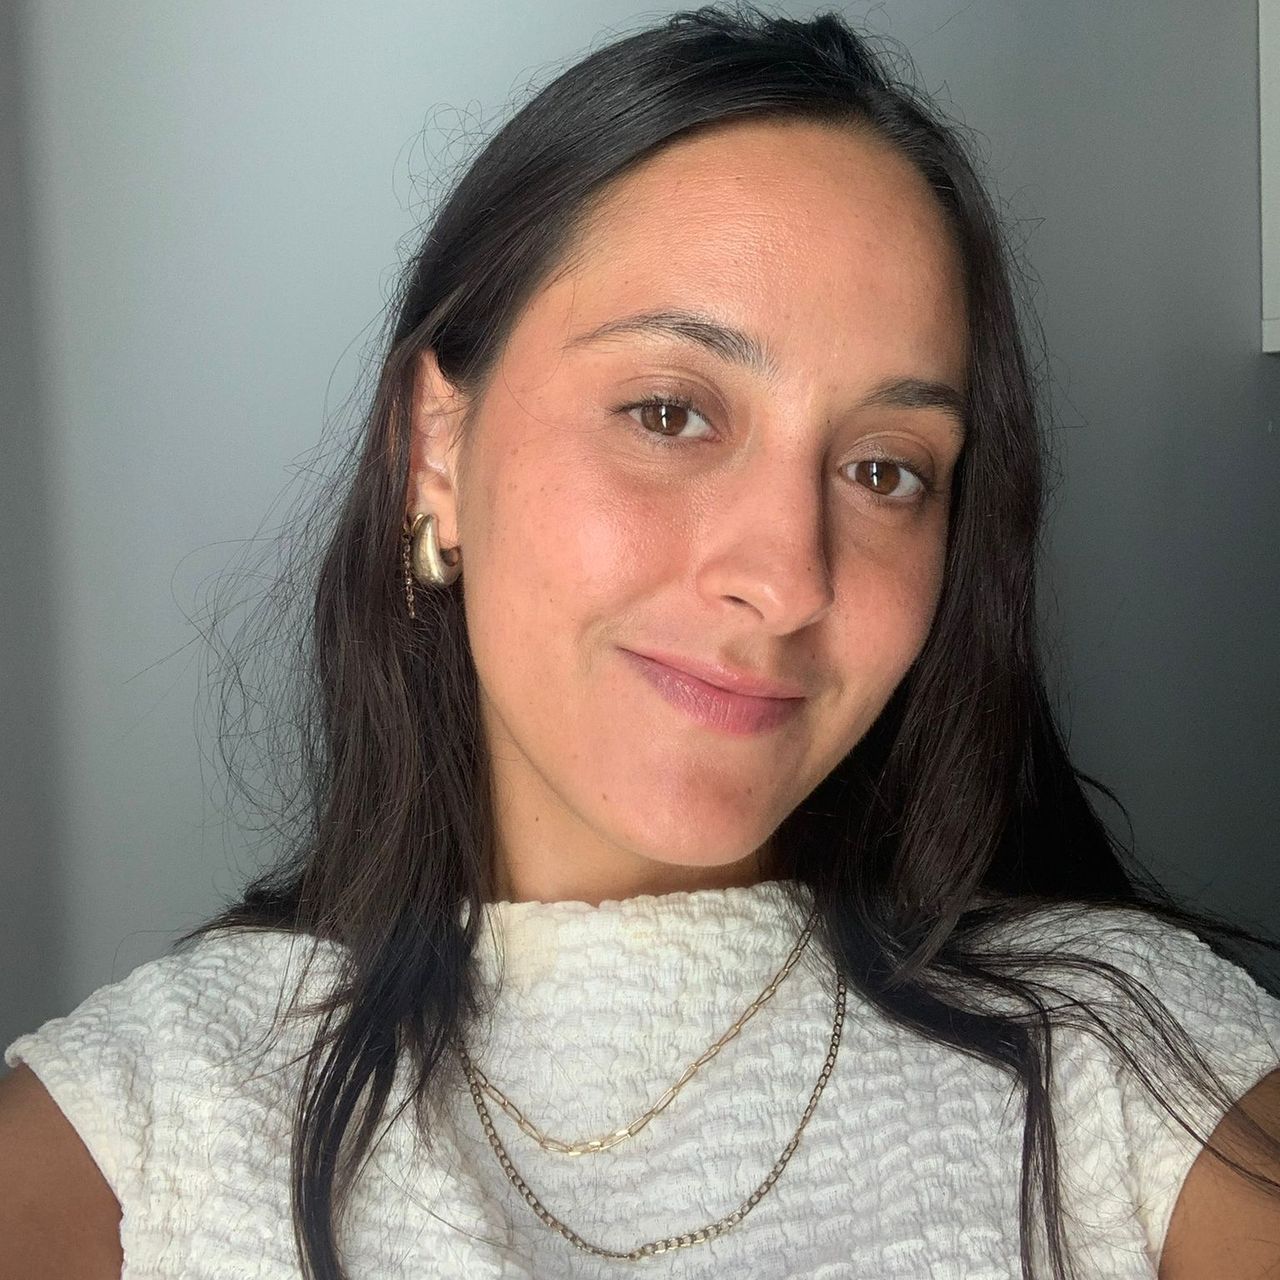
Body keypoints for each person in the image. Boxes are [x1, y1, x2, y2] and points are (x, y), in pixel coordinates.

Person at [1, 4, 1278, 1278]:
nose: (786, 578)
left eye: (883, 470)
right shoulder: (150, 1123)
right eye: (669, 412)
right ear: (434, 447)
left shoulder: (1129, 1060)